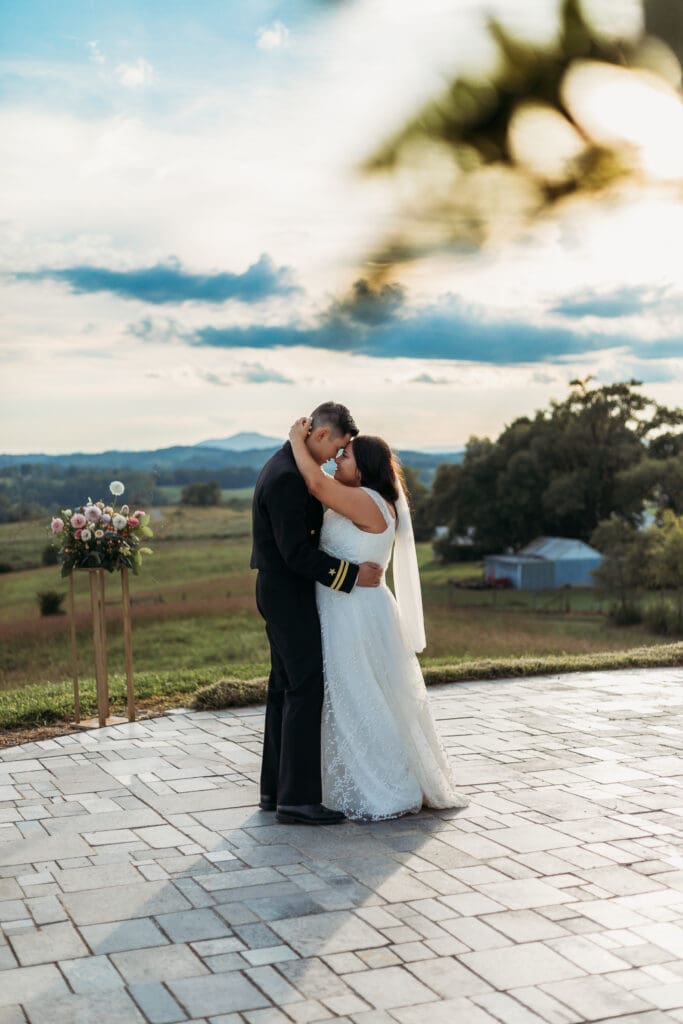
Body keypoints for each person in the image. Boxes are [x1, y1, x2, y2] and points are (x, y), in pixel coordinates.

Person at [288, 417, 467, 821]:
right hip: (359, 608)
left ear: (365, 468)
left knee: (360, 697)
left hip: (353, 614)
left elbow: (315, 484)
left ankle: (387, 785)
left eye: (345, 456)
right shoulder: (370, 499)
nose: (336, 461)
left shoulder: (367, 499)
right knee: (370, 696)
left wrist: (295, 441)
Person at [250, 402, 384, 825]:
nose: (334, 458)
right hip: (287, 591)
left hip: (279, 591)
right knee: (305, 687)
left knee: (284, 687)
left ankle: (275, 791)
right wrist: (349, 575)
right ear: (322, 435)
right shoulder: (287, 477)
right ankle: (299, 800)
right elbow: (296, 554)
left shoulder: (289, 463)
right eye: (339, 447)